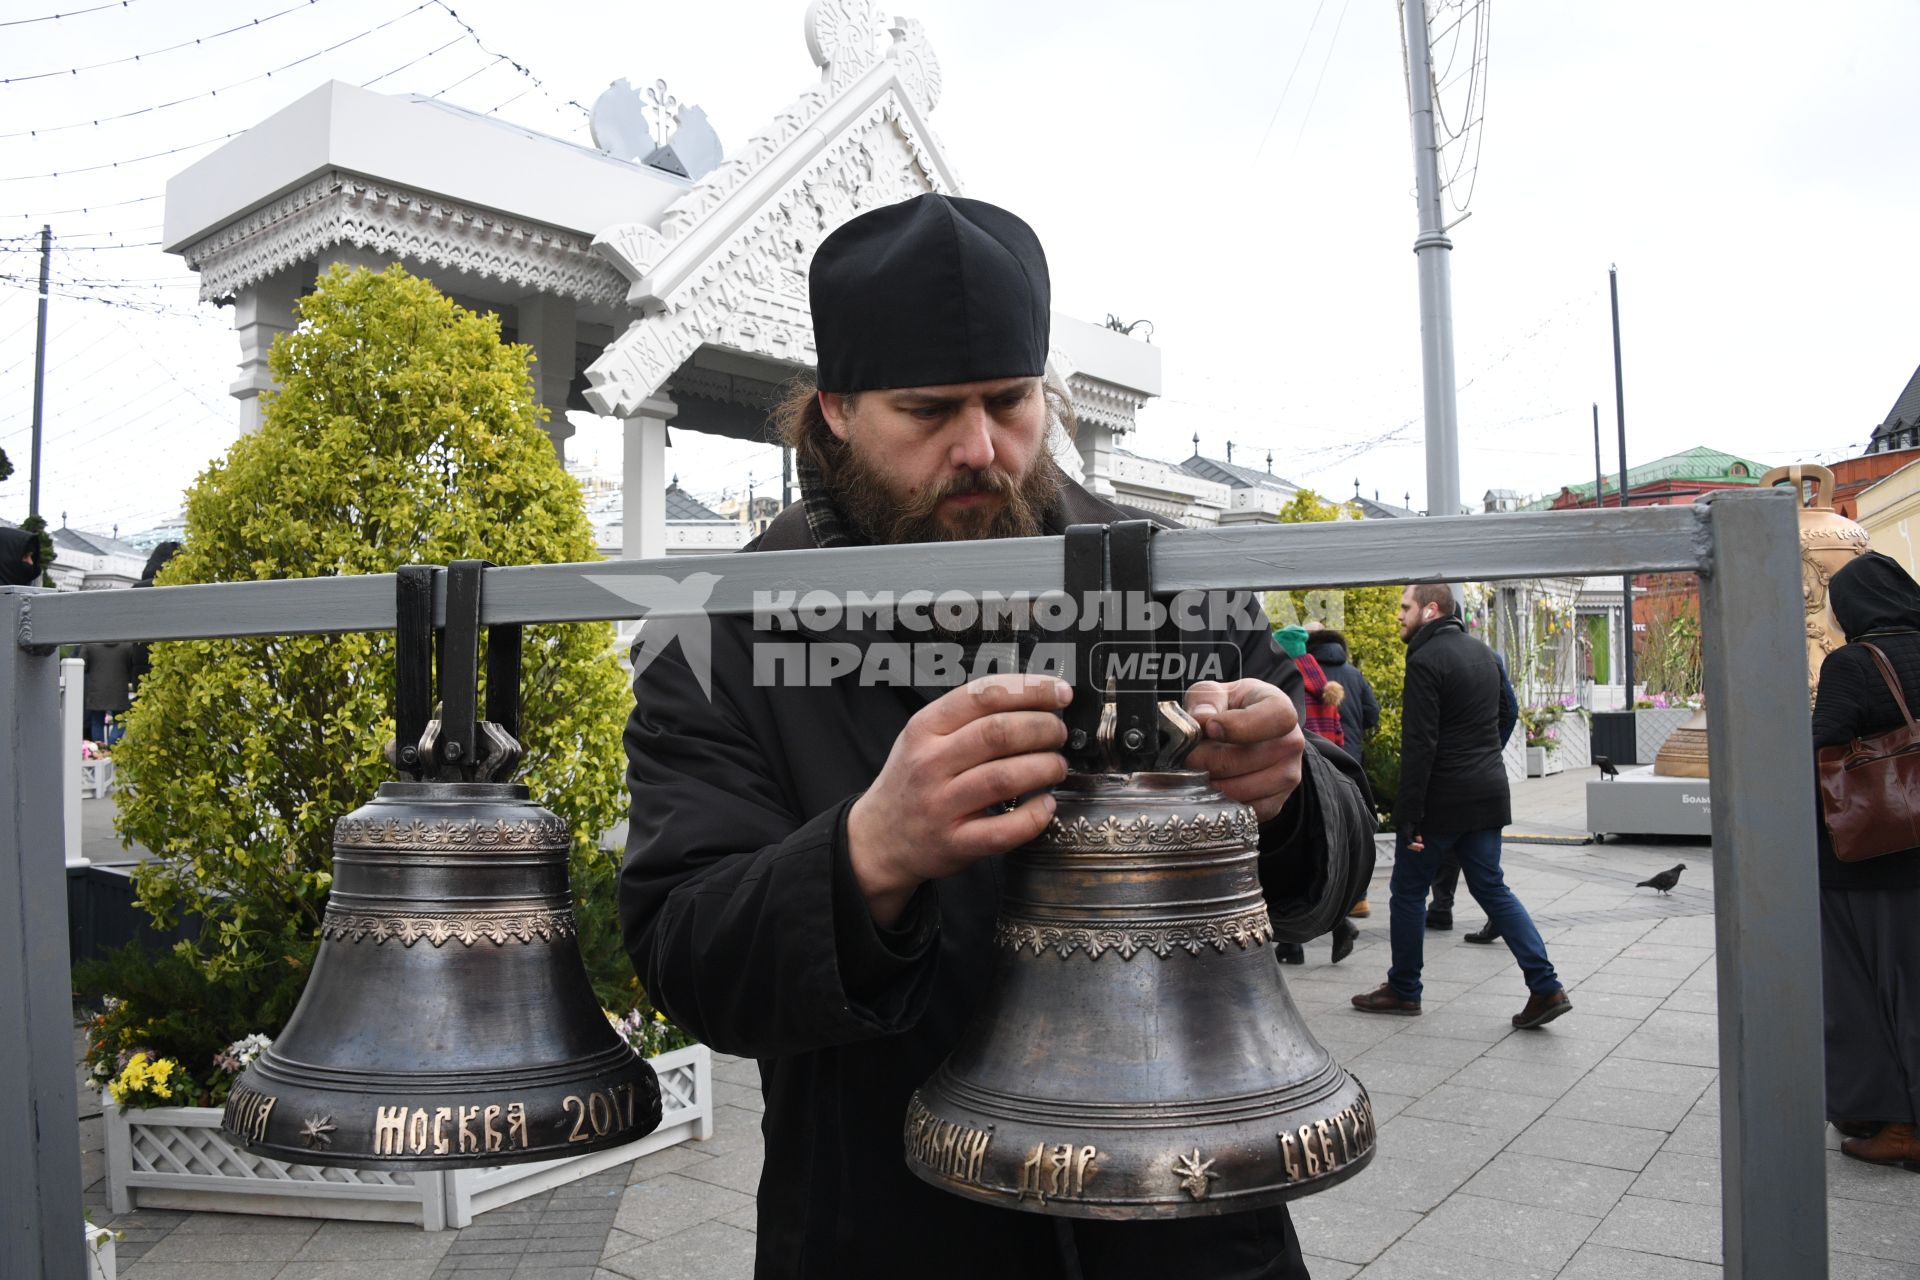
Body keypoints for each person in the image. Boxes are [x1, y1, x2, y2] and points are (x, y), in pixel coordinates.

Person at [619, 193, 1375, 1279]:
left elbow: (1331, 853)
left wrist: (1290, 796)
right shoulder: (717, 632)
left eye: (1010, 403)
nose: (981, 448)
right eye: (929, 411)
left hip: (1195, 1223)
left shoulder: (1165, 579)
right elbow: (686, 950)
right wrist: (868, 850)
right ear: (835, 407)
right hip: (887, 1228)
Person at [1351, 583, 1570, 1028]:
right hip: (1487, 792)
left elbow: (1420, 743)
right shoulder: (1485, 653)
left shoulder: (1426, 660)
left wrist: (1407, 814)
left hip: (1441, 800)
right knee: (1491, 887)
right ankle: (1545, 987)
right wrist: (1484, 755)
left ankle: (1404, 989)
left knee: (1409, 892)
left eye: (1404, 607)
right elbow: (1508, 713)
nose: (1399, 615)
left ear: (1430, 610)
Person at [1813, 551, 1920, 1170]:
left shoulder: (1854, 663)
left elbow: (1822, 745)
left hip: (1871, 858)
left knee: (1866, 989)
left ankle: (1895, 1122)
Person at [1272, 624, 1360, 965]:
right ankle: (1337, 924)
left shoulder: (1283, 687)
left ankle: (1292, 944)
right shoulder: (1326, 687)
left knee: (1287, 863)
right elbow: (1338, 735)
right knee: (1316, 857)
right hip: (1326, 780)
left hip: (1294, 781)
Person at [1427, 643, 1519, 939]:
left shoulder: (1433, 659)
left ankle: (1444, 907)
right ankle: (1445, 907)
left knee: (1416, 876)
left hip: (1452, 774)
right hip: (1482, 774)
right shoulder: (1488, 657)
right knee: (1478, 862)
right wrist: (1490, 751)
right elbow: (1511, 711)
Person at [1304, 623, 1378, 765]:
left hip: (1315, 757)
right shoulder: (1355, 674)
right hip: (1350, 756)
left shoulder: (1301, 674)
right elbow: (1372, 713)